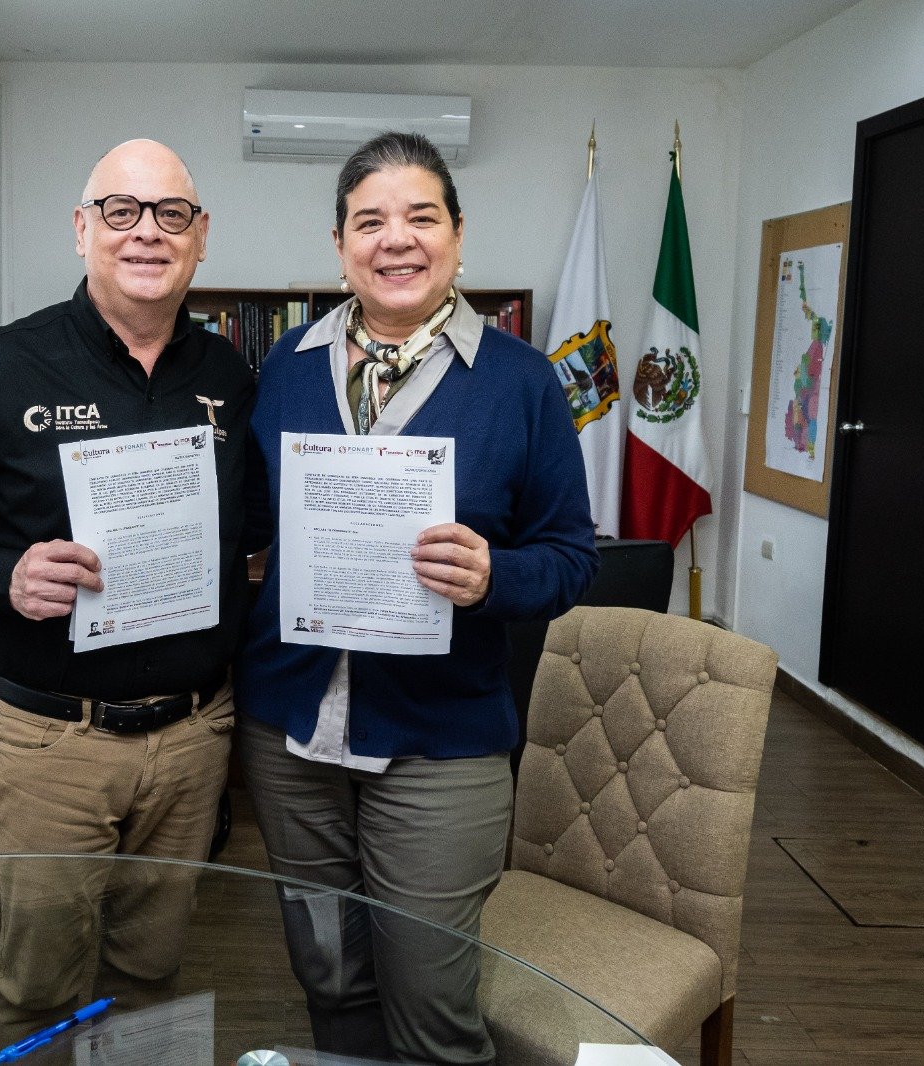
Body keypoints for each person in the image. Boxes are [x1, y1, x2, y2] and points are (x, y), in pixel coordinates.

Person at [0, 139, 255, 1048]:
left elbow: (256, 527)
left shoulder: (232, 379)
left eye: (171, 214)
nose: (146, 232)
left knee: (152, 974)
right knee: (39, 986)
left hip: (195, 738)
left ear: (201, 238)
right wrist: (1, 573)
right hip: (54, 743)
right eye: (121, 210)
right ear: (82, 229)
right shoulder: (2, 368)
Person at [236, 131, 598, 1063]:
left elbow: (571, 557)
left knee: (431, 1001)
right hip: (291, 737)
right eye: (370, 221)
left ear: (458, 236)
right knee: (328, 973)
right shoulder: (285, 368)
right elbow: (252, 522)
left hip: (440, 744)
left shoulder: (521, 382)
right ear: (340, 244)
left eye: (421, 217)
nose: (395, 239)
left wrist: (494, 576)